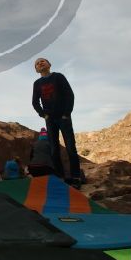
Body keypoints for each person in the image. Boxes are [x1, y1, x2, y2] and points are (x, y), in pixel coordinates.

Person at [31, 58, 84, 186]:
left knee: (71, 148)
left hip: (63, 118)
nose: (40, 63)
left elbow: (69, 95)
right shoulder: (37, 84)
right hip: (50, 120)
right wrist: (43, 115)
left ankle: (76, 177)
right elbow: (35, 102)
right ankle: (61, 178)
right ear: (36, 70)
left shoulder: (58, 77)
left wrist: (67, 113)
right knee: (54, 150)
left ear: (49, 64)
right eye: (37, 63)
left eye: (43, 61)